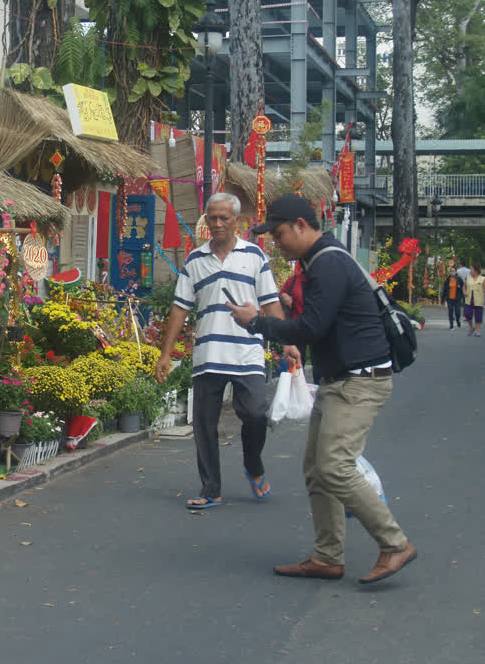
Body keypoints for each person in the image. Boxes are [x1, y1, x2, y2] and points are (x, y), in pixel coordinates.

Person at [228, 194, 417, 584]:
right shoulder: (320, 260)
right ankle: (327, 556)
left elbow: (310, 329)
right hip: (341, 380)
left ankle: (394, 543)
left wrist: (256, 322)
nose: (277, 243)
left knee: (333, 466)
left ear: (301, 225)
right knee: (316, 470)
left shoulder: (328, 262)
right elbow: (321, 322)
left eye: (279, 234)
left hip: (359, 383)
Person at [154, 192, 285, 509]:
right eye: (211, 217)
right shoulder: (194, 261)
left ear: (236, 221)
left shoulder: (254, 256)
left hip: (248, 355)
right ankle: (210, 488)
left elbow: (271, 304)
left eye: (223, 217)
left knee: (255, 414)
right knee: (204, 425)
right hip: (208, 355)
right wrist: (165, 353)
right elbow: (179, 309)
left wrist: (288, 343)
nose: (216, 223)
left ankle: (253, 465)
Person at [463, 264, 485, 336]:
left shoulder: (482, 279)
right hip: (469, 299)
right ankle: (471, 327)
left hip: (479, 299)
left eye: (471, 269)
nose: (470, 271)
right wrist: (465, 292)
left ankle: (477, 331)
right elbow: (464, 287)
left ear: (476, 271)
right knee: (467, 314)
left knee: (478, 316)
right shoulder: (468, 278)